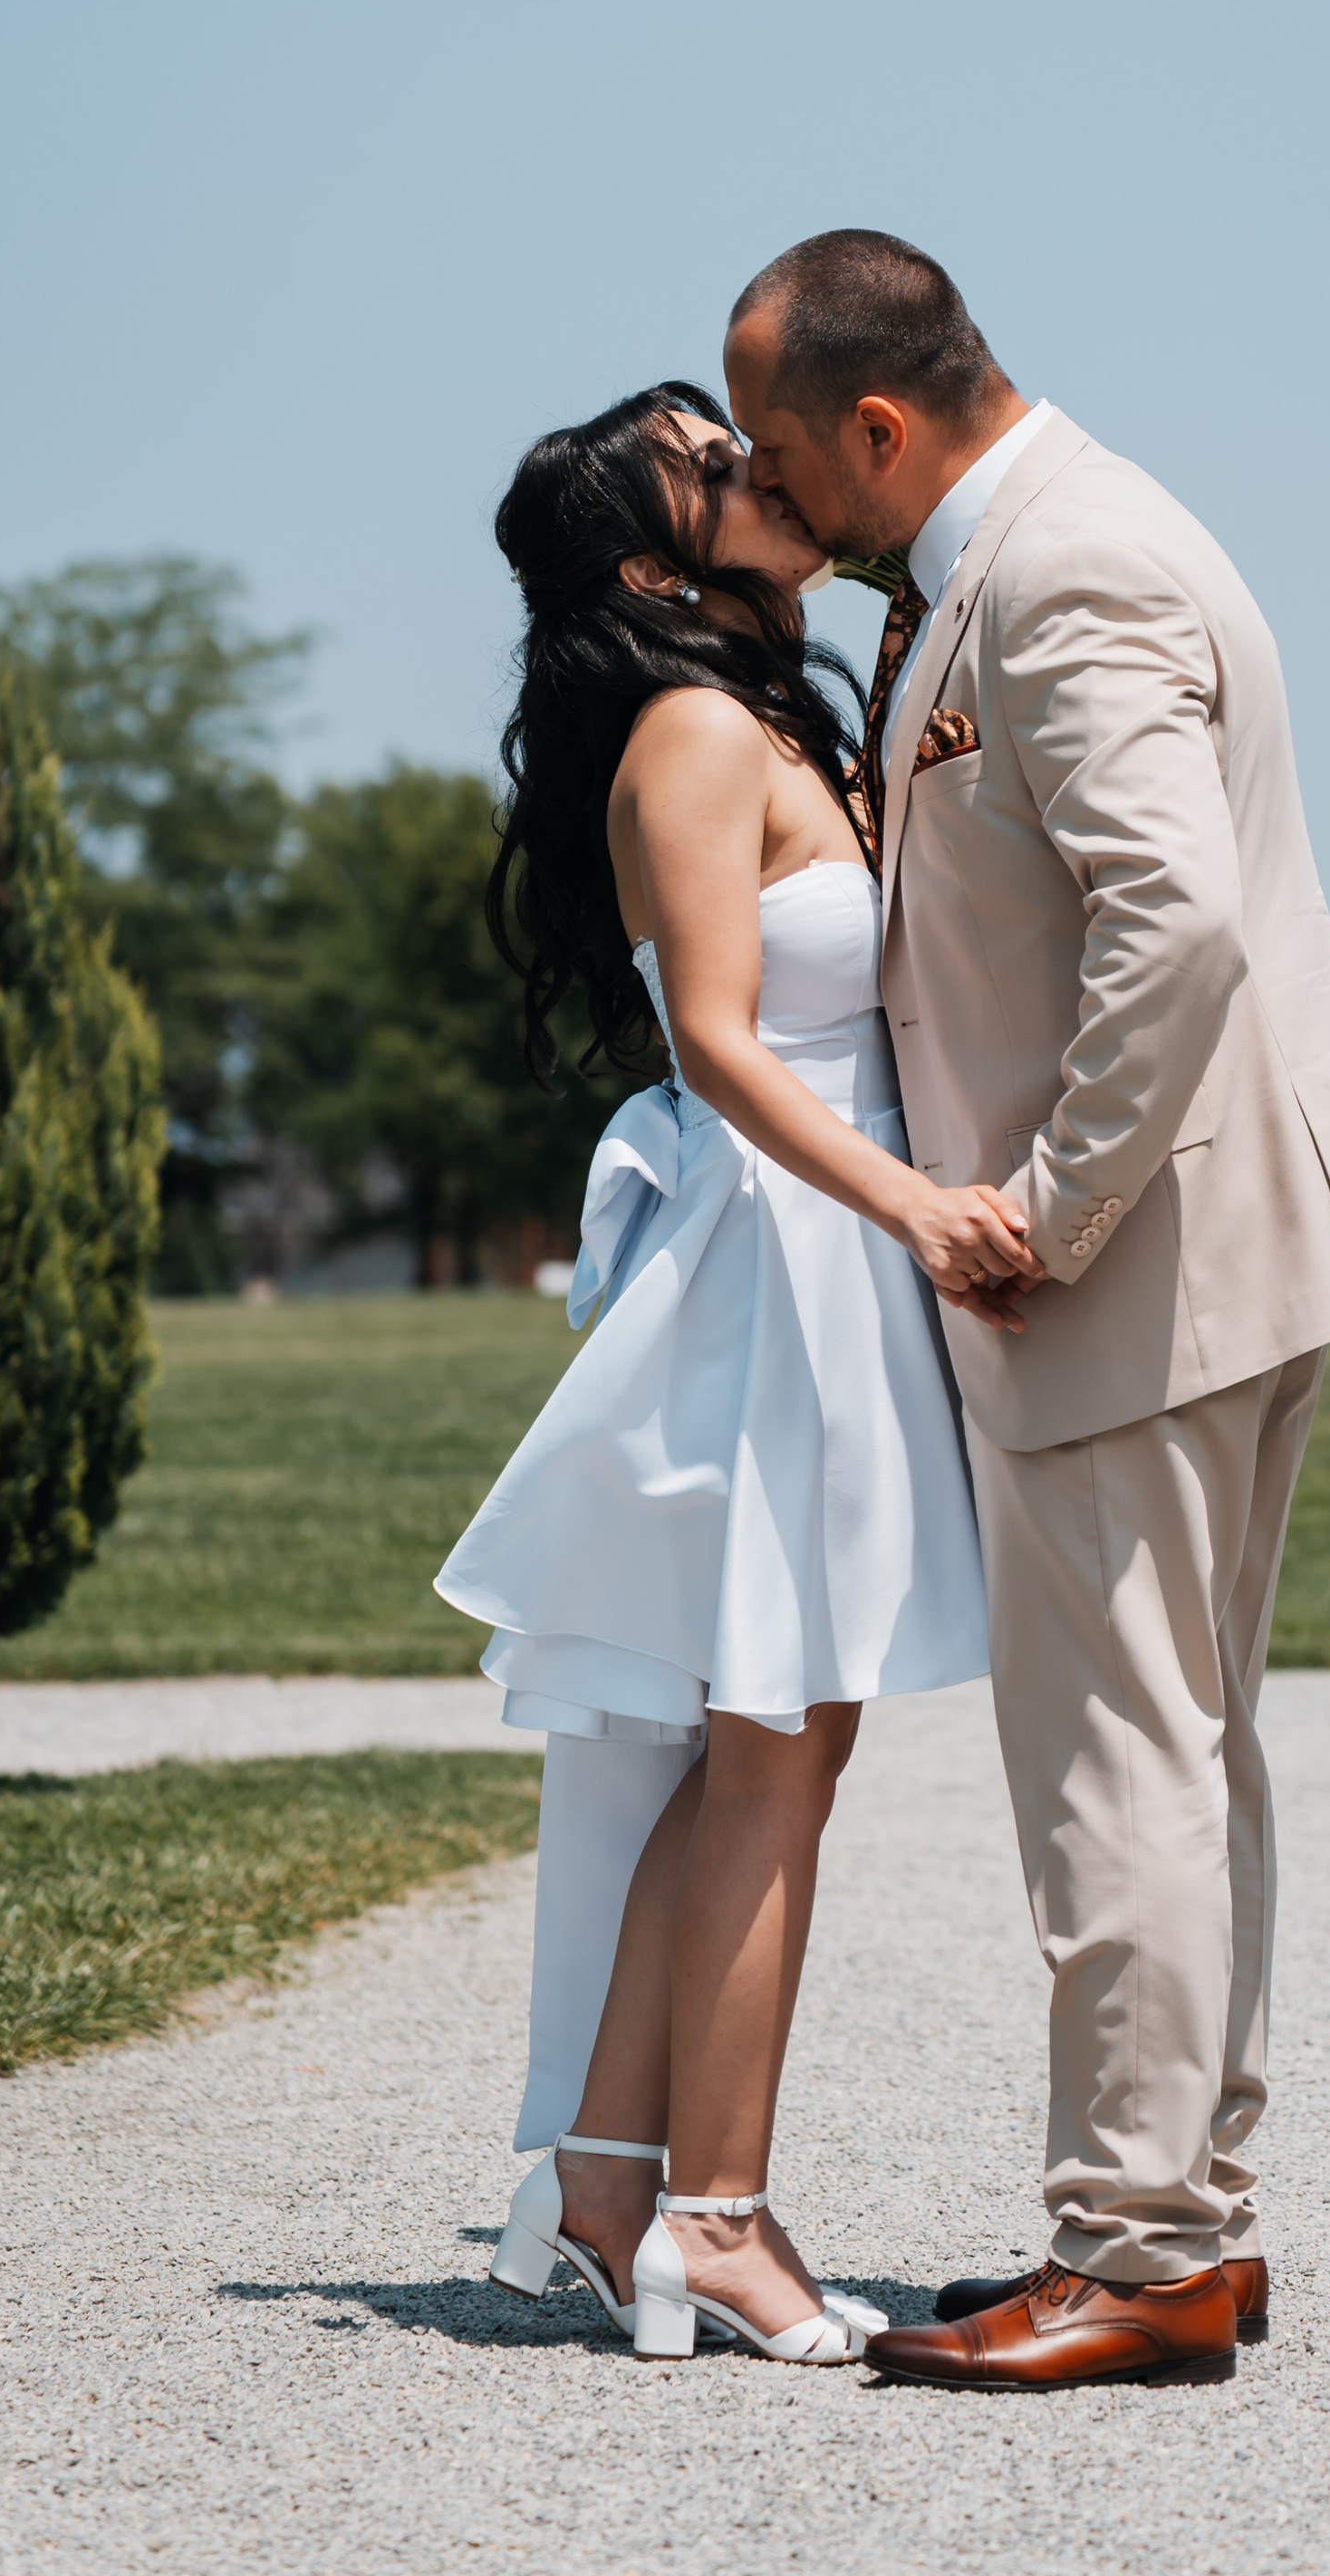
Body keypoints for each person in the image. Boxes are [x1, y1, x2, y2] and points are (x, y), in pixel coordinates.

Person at [724, 233, 1330, 2392]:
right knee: (1187, 1740)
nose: (767, 494)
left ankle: (1134, 2250)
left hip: (1137, 1264)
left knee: (1117, 1757)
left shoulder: (1063, 567)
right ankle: (1186, 2218)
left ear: (875, 424)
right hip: (1212, 1242)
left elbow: (1174, 920)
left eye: (778, 452)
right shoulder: (1039, 541)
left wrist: (1047, 1212)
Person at [437, 381, 1025, 2367]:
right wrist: (914, 1205)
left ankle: (614, 2188)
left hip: (829, 1247)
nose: (759, 467)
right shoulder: (691, 735)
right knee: (774, 1745)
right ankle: (722, 2218)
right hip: (790, 1255)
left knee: (767, 1747)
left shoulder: (774, 708)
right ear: (648, 562)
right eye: (714, 463)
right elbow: (713, 1037)